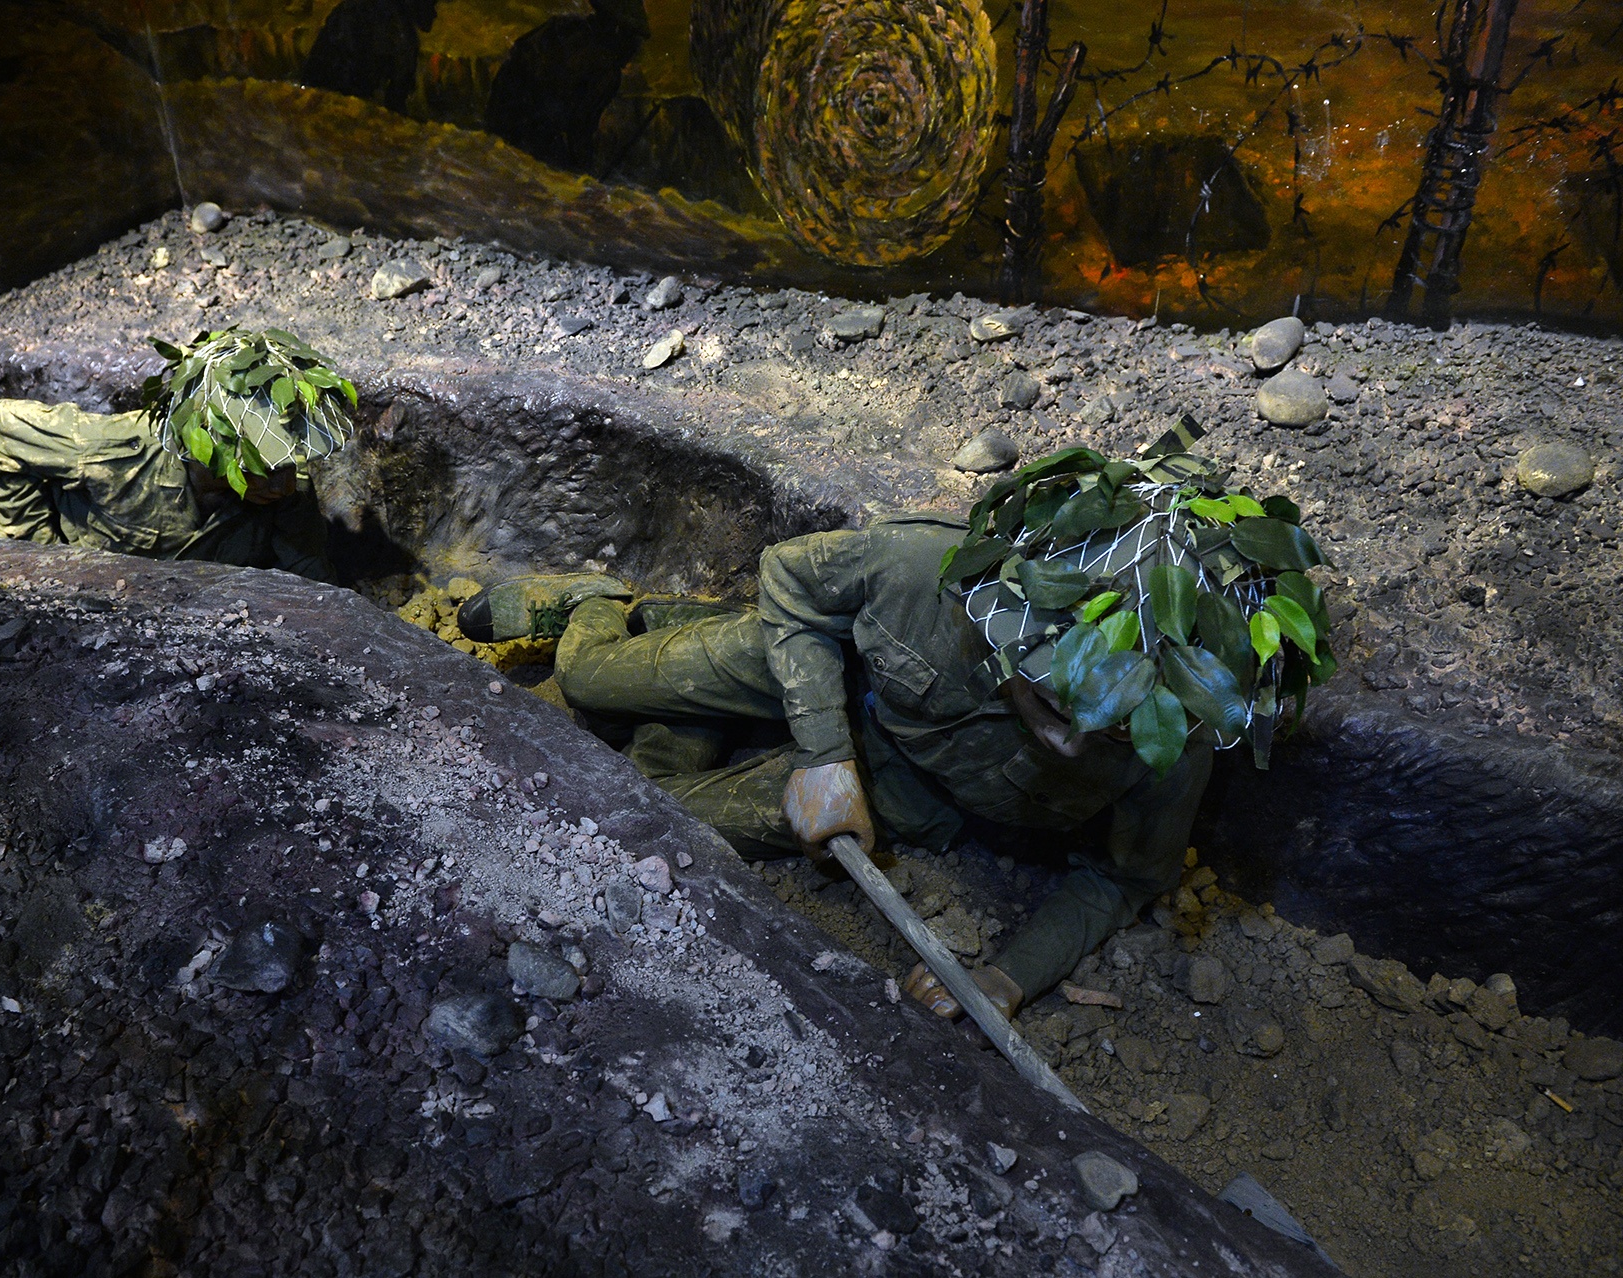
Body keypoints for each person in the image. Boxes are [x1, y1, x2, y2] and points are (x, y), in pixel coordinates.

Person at [459, 437, 1331, 1021]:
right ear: (1011, 630)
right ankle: (604, 606)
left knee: (648, 813)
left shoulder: (1172, 740)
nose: (1070, 744)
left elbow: (1119, 880)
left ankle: (675, 705)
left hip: (906, 792)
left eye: (1107, 732)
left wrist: (1005, 977)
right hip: (817, 665)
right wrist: (823, 753)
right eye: (1057, 706)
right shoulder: (922, 569)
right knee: (587, 680)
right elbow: (791, 583)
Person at [0, 328, 359, 584]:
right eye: (260, 467)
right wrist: (32, 553)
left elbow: (313, 578)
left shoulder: (282, 487)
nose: (283, 483)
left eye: (285, 463)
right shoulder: (114, 450)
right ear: (206, 450)